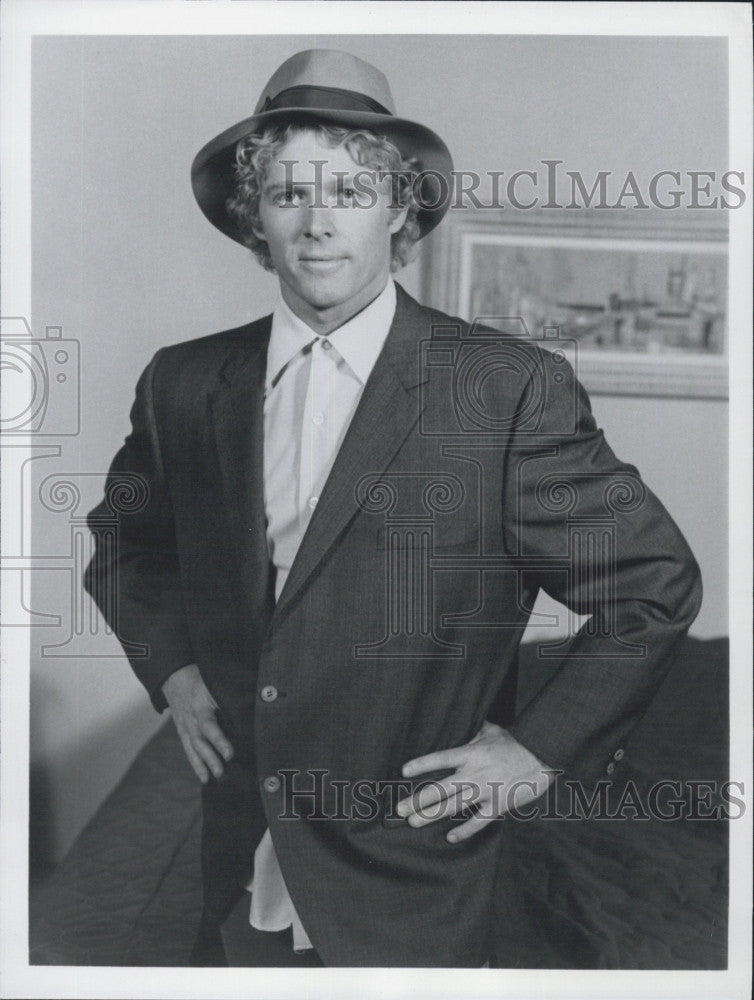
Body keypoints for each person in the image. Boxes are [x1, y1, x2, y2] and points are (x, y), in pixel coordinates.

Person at [84, 48, 702, 968]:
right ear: (255, 216)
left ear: (399, 210)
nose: (319, 222)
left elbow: (653, 586)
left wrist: (536, 752)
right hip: (237, 850)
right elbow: (124, 544)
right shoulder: (183, 381)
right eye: (289, 194)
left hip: (415, 874)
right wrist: (170, 665)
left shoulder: (504, 389)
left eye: (348, 191)